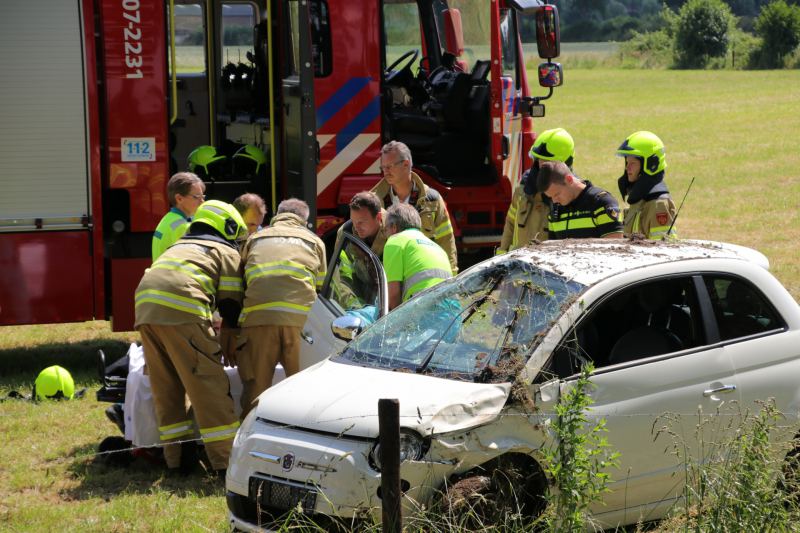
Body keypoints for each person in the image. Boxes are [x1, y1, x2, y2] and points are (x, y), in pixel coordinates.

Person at [135, 200, 247, 476]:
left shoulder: (179, 246)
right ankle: (226, 465)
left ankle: (179, 462)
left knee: (167, 390)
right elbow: (231, 305)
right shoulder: (224, 250)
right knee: (208, 387)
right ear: (228, 226)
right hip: (183, 312)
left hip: (145, 310)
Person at [237, 199, 327, 419]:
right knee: (303, 390)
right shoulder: (314, 241)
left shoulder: (255, 238)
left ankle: (249, 441)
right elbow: (321, 286)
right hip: (301, 324)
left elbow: (243, 280)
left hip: (258, 320)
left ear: (276, 216)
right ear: (305, 222)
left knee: (256, 390)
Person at [371, 141, 458, 273]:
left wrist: (451, 282)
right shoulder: (374, 202)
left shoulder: (432, 200)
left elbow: (446, 242)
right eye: (383, 167)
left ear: (405, 164)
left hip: (423, 275)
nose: (385, 172)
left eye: (390, 166)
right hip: (387, 280)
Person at [498, 128, 576, 254]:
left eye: (548, 162)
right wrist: (501, 255)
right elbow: (510, 223)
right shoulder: (523, 187)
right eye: (540, 160)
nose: (542, 166)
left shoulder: (572, 194)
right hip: (518, 265)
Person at [383, 204, 453, 311]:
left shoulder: (395, 241)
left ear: (394, 227)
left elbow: (392, 296)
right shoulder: (438, 248)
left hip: (422, 311)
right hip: (452, 312)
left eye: (385, 229)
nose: (386, 235)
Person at [537, 161, 623, 240]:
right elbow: (552, 251)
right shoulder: (555, 209)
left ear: (569, 180)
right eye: (550, 197)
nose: (554, 201)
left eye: (556, 194)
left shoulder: (602, 203)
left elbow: (614, 249)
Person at [615, 131, 677, 240]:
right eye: (627, 162)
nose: (627, 167)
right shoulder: (639, 199)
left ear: (650, 165)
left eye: (632, 163)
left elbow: (664, 250)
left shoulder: (658, 205)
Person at [151, 172, 205, 261]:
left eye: (202, 196)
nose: (202, 201)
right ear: (179, 198)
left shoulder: (167, 218)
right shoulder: (183, 227)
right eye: (196, 197)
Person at [335, 191, 387, 257]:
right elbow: (340, 265)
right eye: (353, 220)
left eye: (361, 222)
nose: (356, 228)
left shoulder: (395, 232)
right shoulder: (345, 233)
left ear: (378, 217)